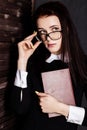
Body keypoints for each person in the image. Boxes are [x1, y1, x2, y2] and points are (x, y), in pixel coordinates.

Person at [10, 1, 87, 130]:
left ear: (66, 28)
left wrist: (60, 108)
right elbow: (19, 108)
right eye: (42, 32)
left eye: (54, 29)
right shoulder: (32, 61)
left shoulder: (83, 64)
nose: (48, 38)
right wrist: (22, 61)